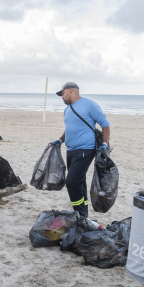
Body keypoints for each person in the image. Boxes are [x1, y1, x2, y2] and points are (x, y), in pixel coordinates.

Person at [53, 82, 110, 219]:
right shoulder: (67, 109)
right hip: (71, 150)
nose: (61, 97)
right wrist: (60, 140)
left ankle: (80, 213)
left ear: (71, 90)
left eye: (63, 93)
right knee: (79, 181)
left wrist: (105, 143)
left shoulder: (89, 104)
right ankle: (83, 213)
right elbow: (69, 129)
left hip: (85, 150)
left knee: (71, 182)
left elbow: (105, 124)